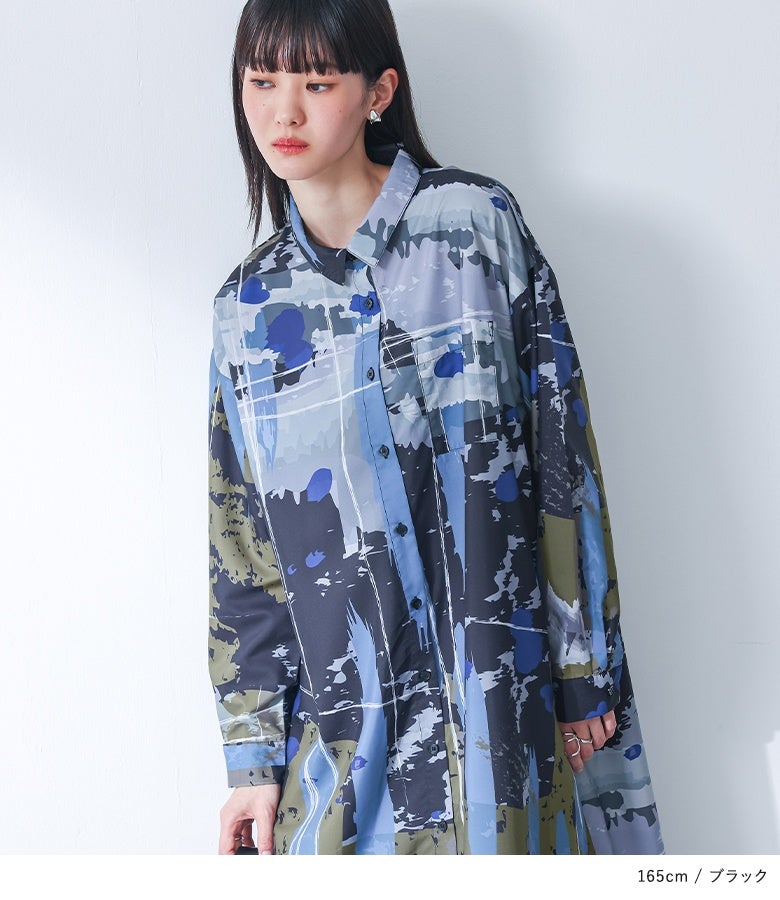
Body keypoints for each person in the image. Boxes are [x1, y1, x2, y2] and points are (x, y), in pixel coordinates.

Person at [208, 0, 663, 856]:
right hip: (345, 756)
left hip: (504, 726)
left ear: (379, 92)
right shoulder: (247, 309)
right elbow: (243, 550)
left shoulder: (475, 226)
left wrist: (580, 667)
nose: (284, 112)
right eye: (261, 81)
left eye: (317, 83)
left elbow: (561, 453)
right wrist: (253, 759)